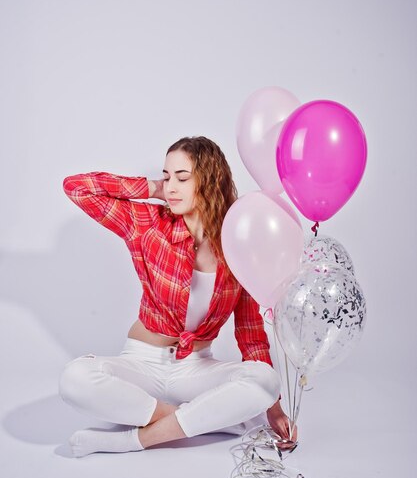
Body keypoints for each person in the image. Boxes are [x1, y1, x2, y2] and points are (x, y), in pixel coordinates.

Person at [59, 136, 298, 457]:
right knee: (75, 379)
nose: (170, 186)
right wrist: (153, 188)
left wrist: (274, 411)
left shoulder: (238, 246)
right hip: (141, 364)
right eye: (166, 176)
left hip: (195, 369)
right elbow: (77, 188)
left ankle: (130, 440)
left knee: (265, 380)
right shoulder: (146, 225)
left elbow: (251, 336)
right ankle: (199, 419)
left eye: (182, 178)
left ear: (210, 181)